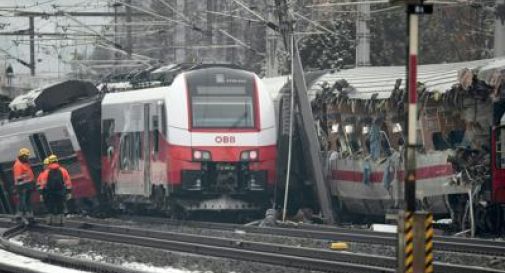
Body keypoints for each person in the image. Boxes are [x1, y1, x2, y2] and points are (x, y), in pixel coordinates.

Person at [37, 154, 72, 225]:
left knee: (51, 207)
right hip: (61, 192)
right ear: (57, 161)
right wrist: (69, 192)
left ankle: (51, 222)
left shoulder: (46, 172)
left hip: (50, 193)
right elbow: (68, 182)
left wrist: (41, 194)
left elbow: (43, 184)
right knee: (60, 207)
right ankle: (61, 222)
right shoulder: (63, 170)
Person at [12, 148, 35, 223]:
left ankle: (30, 216)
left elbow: (28, 175)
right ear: (23, 156)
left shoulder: (24, 163)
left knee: (27, 201)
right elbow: (18, 178)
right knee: (22, 201)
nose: (28, 158)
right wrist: (23, 186)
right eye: (27, 156)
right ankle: (19, 216)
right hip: (22, 187)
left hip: (27, 186)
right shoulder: (18, 165)